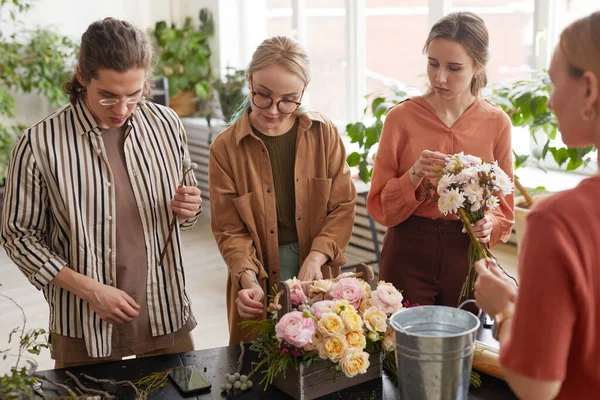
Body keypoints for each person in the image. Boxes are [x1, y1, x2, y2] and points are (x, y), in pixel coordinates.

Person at [0, 18, 203, 368]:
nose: (122, 110)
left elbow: (185, 218)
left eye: (134, 96)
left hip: (164, 306)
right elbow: (19, 237)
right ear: (82, 75)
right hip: (83, 320)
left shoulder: (168, 125)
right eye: (108, 97)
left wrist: (189, 209)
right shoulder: (39, 144)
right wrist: (90, 290)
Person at [474, 11, 600, 400]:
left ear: (590, 90)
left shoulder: (560, 220)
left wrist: (505, 312)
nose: (548, 99)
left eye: (553, 81)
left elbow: (536, 386)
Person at [209, 36, 356, 345]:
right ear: (249, 81)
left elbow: (342, 206)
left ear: (303, 93)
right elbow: (229, 231)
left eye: (289, 99)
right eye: (263, 95)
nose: (274, 110)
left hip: (315, 268)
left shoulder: (324, 134)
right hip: (258, 271)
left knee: (322, 353)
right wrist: (247, 279)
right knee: (260, 367)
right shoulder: (225, 148)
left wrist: (316, 258)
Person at [367, 11, 514, 307]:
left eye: (454, 67)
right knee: (401, 350)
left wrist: (488, 223)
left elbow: (504, 211)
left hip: (466, 255)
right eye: (433, 64)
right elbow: (380, 206)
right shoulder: (401, 118)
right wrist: (414, 175)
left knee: (462, 352)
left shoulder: (497, 123)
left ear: (478, 66)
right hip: (408, 253)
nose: (440, 77)